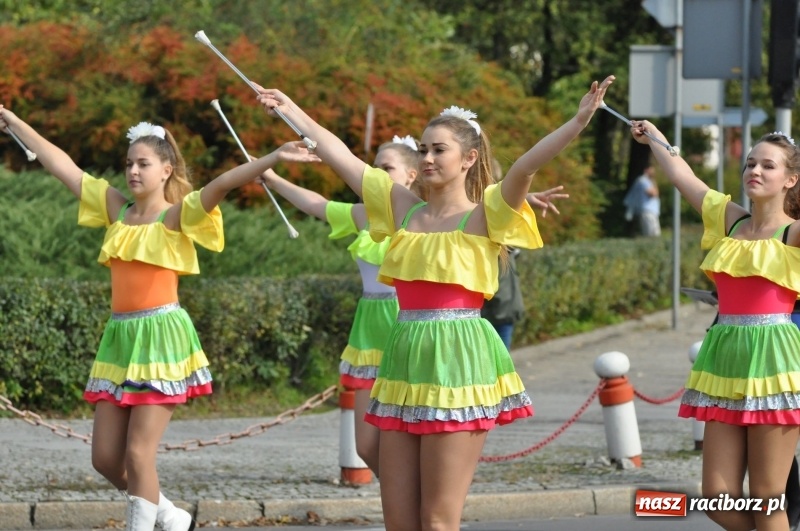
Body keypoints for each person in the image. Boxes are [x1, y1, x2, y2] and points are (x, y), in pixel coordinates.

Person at [255, 75, 615, 531]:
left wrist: (578, 121)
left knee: (438, 520)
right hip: (403, 358)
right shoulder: (402, 209)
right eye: (423, 149)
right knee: (399, 521)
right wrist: (290, 108)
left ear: (469, 158)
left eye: (438, 150)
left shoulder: (486, 213)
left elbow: (525, 166)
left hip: (458, 361)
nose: (426, 158)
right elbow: (339, 154)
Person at [0, 105, 318, 531]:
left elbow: (224, 182)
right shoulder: (116, 210)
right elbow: (63, 166)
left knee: (138, 454)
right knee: (105, 459)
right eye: (129, 163)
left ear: (166, 170)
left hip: (161, 338)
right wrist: (13, 120)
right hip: (119, 340)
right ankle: (169, 513)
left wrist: (274, 157)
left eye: (143, 164)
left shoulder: (176, 215)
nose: (133, 171)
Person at [632, 120, 800, 530]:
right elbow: (683, 176)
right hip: (723, 360)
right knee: (717, 499)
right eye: (750, 163)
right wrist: (655, 137)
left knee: (767, 499)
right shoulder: (731, 222)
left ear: (790, 180)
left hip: (774, 361)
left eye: (768, 166)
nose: (754, 171)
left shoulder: (793, 233)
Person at [257, 135, 421, 476]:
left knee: (403, 438)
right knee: (367, 446)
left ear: (411, 176)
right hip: (368, 330)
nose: (376, 173)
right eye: (374, 167)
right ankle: (405, 495)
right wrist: (271, 178)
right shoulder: (364, 215)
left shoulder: (421, 216)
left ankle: (414, 499)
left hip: (405, 326)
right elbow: (317, 204)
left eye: (387, 168)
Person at [480, 182, 569, 351]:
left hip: (504, 311)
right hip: (486, 313)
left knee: (501, 362)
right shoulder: (478, 226)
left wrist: (522, 199)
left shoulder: (502, 232)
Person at [623, 164, 660, 237]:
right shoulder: (642, 180)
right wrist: (654, 182)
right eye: (651, 170)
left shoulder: (648, 181)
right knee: (650, 235)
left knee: (655, 234)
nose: (653, 172)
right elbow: (653, 193)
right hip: (647, 211)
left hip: (650, 211)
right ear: (646, 170)